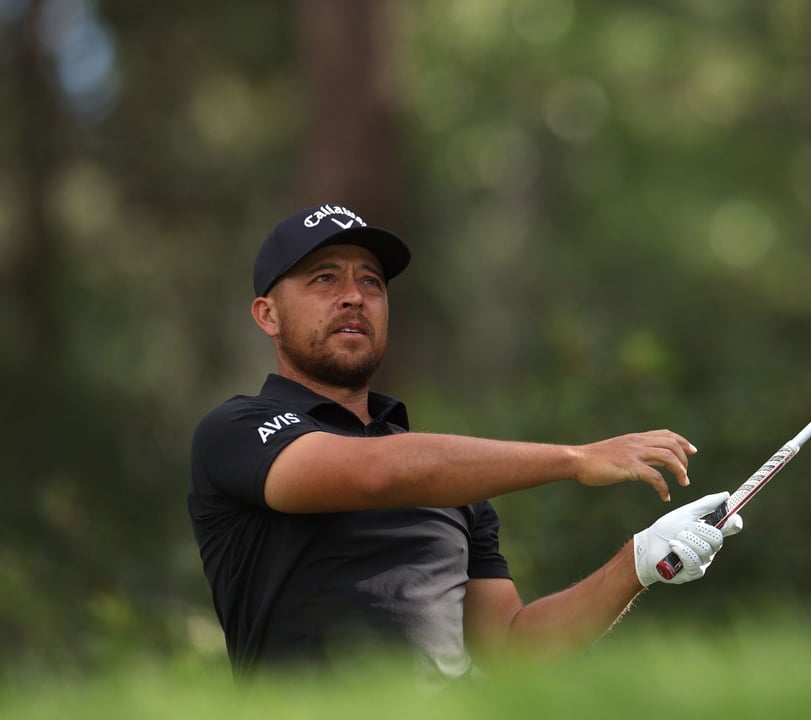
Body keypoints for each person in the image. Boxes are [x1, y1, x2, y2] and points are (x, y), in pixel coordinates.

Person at [188, 203, 743, 681]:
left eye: (372, 283)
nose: (354, 297)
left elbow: (510, 650)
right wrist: (577, 459)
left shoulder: (454, 482)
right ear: (268, 315)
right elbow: (376, 473)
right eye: (324, 279)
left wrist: (638, 562)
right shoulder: (237, 430)